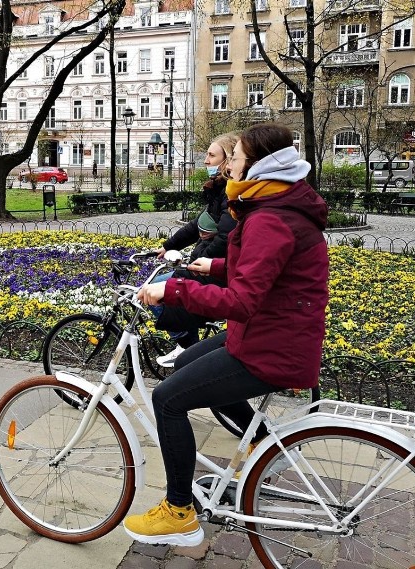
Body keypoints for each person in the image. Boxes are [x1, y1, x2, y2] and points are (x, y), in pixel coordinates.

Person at [123, 122, 329, 547]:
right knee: (183, 363)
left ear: (258, 166)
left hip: (272, 345)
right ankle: (259, 446)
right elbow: (268, 273)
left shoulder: (270, 217)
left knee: (167, 400)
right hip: (270, 333)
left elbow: (241, 301)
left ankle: (179, 511)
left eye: (234, 157)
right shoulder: (275, 207)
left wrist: (174, 289)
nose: (229, 164)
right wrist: (213, 267)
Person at [152, 133, 239, 367]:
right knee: (163, 284)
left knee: (158, 290)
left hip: (218, 273)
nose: (206, 161)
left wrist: (200, 262)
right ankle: (188, 348)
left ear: (227, 160)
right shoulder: (218, 190)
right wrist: (169, 246)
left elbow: (224, 238)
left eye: (212, 155)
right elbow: (197, 225)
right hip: (211, 266)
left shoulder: (230, 192)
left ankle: (187, 349)